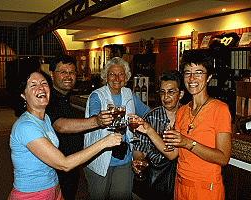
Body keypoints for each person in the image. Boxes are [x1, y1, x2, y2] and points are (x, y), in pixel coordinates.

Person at [9, 71, 122, 200]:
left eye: (44, 83)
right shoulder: (26, 126)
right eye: (33, 85)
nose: (40, 88)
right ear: (23, 95)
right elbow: (64, 164)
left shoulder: (44, 118)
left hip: (53, 188)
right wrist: (104, 142)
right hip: (32, 194)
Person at [163, 50, 232, 200]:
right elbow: (172, 154)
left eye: (199, 72)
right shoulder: (181, 111)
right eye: (187, 73)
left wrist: (187, 142)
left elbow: (223, 158)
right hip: (180, 184)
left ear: (209, 78)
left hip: (206, 189)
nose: (192, 78)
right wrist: (148, 130)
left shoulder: (220, 109)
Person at [46, 55, 113, 200]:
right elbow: (60, 125)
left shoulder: (65, 97)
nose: (68, 76)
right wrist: (97, 121)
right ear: (52, 74)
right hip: (57, 168)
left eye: (72, 72)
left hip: (71, 166)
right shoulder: (48, 98)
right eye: (63, 72)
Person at [84, 57, 150, 200]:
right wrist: (100, 119)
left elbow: (147, 112)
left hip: (124, 158)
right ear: (105, 76)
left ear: (126, 77)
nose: (116, 78)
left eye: (121, 74)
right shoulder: (97, 95)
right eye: (112, 74)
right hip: (100, 159)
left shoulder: (129, 94)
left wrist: (168, 113)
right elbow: (95, 116)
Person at [132, 70, 184, 200]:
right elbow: (140, 148)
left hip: (181, 179)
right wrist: (138, 160)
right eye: (162, 92)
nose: (166, 97)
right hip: (155, 178)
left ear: (181, 94)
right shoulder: (151, 117)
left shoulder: (188, 116)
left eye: (171, 92)